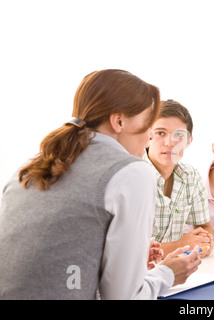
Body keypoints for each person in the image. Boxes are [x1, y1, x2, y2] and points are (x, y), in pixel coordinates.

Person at [0, 69, 201, 300]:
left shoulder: (29, 167)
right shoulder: (132, 173)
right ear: (118, 121)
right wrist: (167, 274)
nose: (149, 138)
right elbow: (123, 298)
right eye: (148, 125)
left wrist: (116, 257)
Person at [145, 99, 214, 258]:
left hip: (176, 271)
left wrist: (204, 242)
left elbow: (204, 227)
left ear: (189, 141)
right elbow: (125, 252)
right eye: (160, 133)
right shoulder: (131, 177)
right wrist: (182, 245)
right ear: (147, 136)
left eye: (179, 135)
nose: (170, 142)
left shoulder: (192, 177)